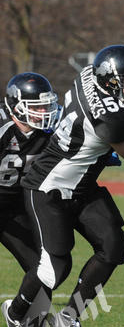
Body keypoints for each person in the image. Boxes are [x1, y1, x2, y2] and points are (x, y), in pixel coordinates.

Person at [2, 45, 124, 327]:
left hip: (79, 186)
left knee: (113, 247)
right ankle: (16, 316)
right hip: (45, 189)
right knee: (53, 267)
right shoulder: (110, 116)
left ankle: (69, 318)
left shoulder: (87, 76)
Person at [0, 73, 60, 275]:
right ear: (16, 107)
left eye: (45, 106)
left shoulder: (52, 126)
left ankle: (23, 300)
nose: (44, 112)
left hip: (15, 207)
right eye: (36, 107)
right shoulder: (3, 127)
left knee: (43, 271)